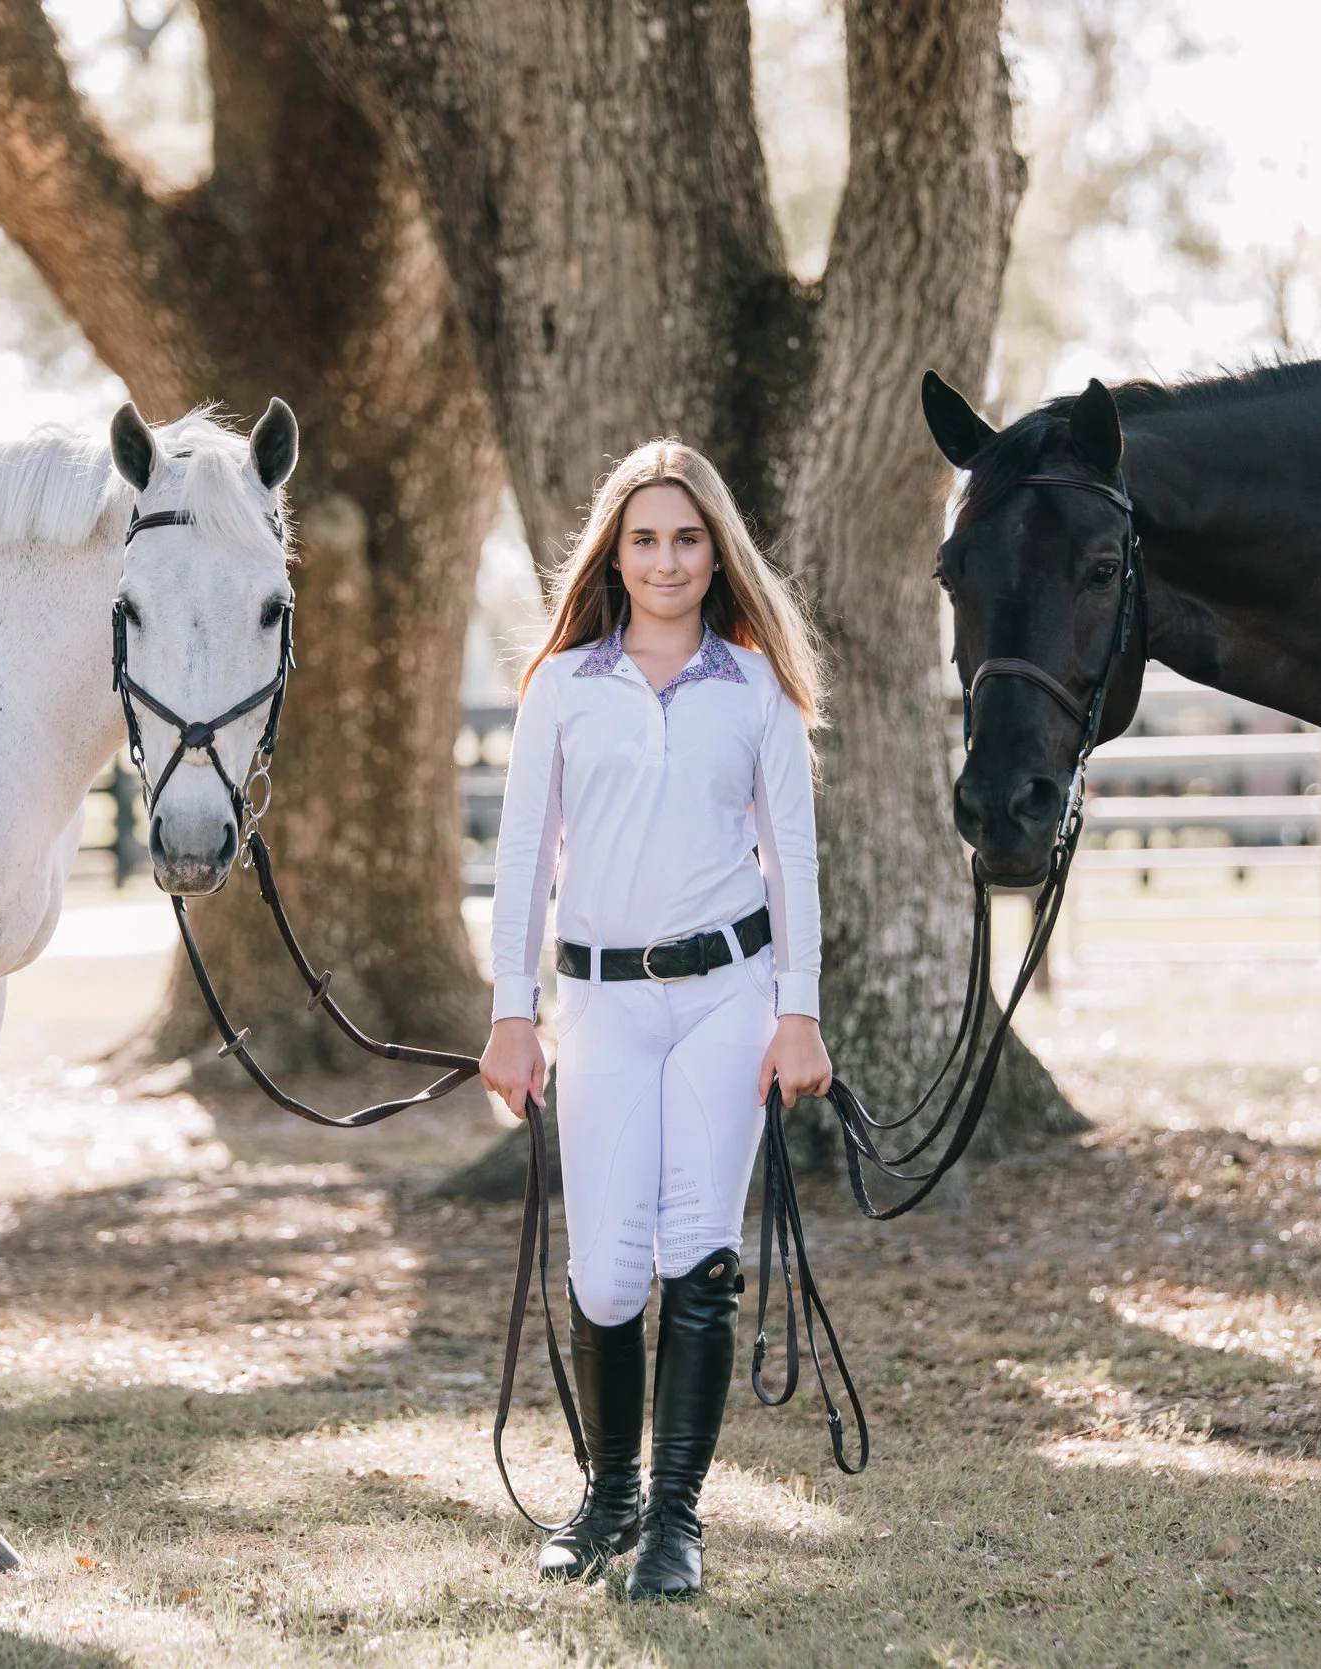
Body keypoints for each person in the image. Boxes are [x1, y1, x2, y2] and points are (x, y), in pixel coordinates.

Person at [481, 439, 832, 1599]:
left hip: (730, 996)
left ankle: (674, 1520)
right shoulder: (565, 687)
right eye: (645, 539)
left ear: (715, 549)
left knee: (698, 1249)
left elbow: (794, 864)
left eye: (687, 538)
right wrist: (511, 1015)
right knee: (605, 1270)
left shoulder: (758, 686)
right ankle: (607, 1499)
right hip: (602, 1003)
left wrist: (799, 1015)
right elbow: (523, 855)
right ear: (614, 555)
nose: (667, 559)